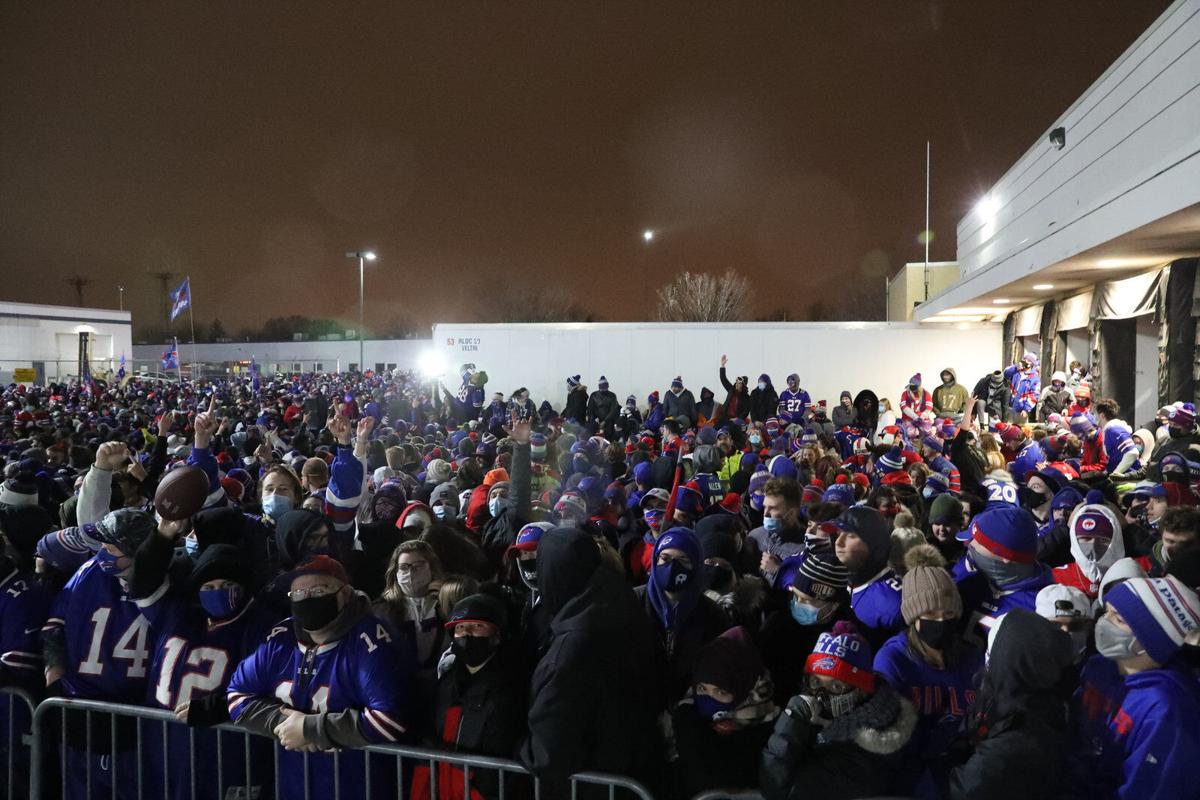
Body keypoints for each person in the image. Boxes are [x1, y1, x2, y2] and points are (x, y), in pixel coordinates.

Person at [227, 555, 414, 798]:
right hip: (294, 785)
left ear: (345, 594)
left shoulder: (370, 640)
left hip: (358, 786)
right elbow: (236, 695)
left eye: (318, 590)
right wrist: (285, 722)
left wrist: (310, 728)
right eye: (298, 594)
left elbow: (389, 720)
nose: (307, 599)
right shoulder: (280, 639)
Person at [521, 527, 660, 797]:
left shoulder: (574, 645)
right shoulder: (620, 603)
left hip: (591, 784)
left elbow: (548, 752)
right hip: (632, 771)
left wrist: (518, 747)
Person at [1070, 576, 1200, 799]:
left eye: (1118, 619)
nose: (1103, 621)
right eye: (1107, 612)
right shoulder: (1100, 666)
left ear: (1150, 639)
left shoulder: (1167, 710)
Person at [759, 620, 917, 800]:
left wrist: (791, 720)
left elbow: (779, 791)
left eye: (836, 686)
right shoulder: (822, 721)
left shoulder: (869, 750)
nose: (820, 695)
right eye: (815, 682)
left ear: (861, 691)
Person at [874, 545, 984, 796]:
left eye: (948, 613)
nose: (941, 621)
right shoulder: (893, 660)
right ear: (914, 618)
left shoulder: (971, 657)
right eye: (930, 614)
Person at [943, 608, 1076, 800]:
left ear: (1009, 663)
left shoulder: (1012, 749)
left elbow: (960, 791)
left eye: (991, 653)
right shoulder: (1033, 697)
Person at [410, 593, 527, 800]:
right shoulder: (446, 683)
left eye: (478, 626)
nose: (467, 634)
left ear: (497, 633)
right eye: (460, 628)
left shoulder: (511, 688)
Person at [671, 626, 779, 798]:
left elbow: (708, 783)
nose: (709, 699)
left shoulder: (767, 729)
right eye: (702, 688)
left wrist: (686, 723)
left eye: (721, 692)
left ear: (744, 690)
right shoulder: (689, 715)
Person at [638, 527, 731, 704]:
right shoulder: (632, 603)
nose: (672, 567)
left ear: (696, 566)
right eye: (665, 559)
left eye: (683, 560)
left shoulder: (713, 615)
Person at [757, 550, 850, 704]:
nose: (798, 604)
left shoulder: (843, 639)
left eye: (807, 601)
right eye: (796, 596)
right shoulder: (776, 624)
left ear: (834, 605)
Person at [833, 506, 904, 648]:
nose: (838, 542)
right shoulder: (836, 577)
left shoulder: (892, 601)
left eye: (851, 535)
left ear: (874, 544)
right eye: (839, 532)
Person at [747, 478, 807, 585]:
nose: (765, 513)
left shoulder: (804, 549)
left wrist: (780, 571)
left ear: (792, 513)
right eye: (765, 507)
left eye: (773, 508)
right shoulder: (754, 537)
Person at [1150, 506, 1200, 576]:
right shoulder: (1147, 563)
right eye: (1170, 541)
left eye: (1186, 544)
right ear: (1161, 537)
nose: (1177, 548)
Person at [717, 355, 751, 424]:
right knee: (716, 428)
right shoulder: (731, 390)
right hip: (725, 417)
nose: (737, 384)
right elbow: (723, 379)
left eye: (739, 383)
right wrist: (722, 366)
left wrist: (738, 418)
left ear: (743, 386)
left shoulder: (747, 398)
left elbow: (745, 412)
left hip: (736, 420)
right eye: (737, 383)